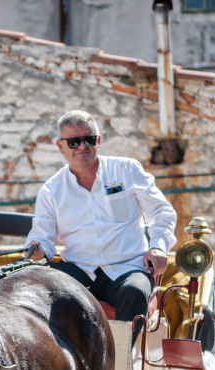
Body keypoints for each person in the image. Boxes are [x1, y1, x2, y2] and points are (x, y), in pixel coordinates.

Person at [24, 110, 177, 321]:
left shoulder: (127, 170)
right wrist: (36, 249)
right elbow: (42, 237)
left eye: (89, 139)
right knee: (35, 283)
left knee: (136, 291)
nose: (82, 146)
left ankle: (123, 354)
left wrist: (158, 246)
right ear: (61, 146)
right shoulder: (51, 189)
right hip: (79, 271)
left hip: (127, 268)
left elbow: (162, 212)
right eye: (73, 142)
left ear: (98, 141)